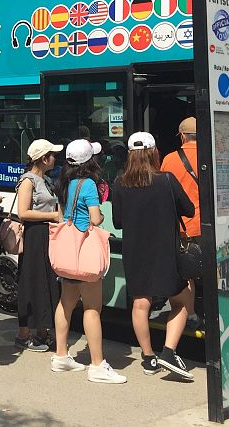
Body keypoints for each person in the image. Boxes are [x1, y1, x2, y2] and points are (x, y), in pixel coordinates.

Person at [111, 132, 195, 378]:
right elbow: (188, 210)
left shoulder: (119, 182)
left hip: (135, 251)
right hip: (165, 251)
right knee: (181, 301)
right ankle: (169, 352)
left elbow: (117, 221)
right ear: (153, 152)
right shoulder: (166, 180)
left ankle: (148, 358)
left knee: (141, 303)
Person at [52, 139, 126, 384]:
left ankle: (61, 355)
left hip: (68, 254)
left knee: (66, 303)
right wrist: (101, 214)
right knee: (92, 308)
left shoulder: (64, 184)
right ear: (89, 161)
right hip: (85, 254)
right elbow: (95, 218)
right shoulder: (89, 185)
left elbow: (63, 216)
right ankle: (97, 365)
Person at [15, 139, 63, 351]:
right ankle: (28, 332)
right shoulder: (29, 181)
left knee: (46, 281)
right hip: (35, 235)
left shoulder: (46, 180)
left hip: (46, 234)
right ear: (44, 158)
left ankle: (42, 330)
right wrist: (53, 215)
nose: (55, 158)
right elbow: (23, 212)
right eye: (53, 154)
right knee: (33, 280)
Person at [160, 116, 201, 325]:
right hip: (210, 224)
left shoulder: (170, 159)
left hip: (183, 225)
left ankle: (191, 313)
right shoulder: (211, 155)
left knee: (187, 272)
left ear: (183, 136)